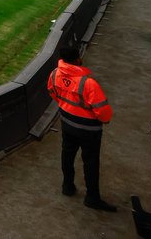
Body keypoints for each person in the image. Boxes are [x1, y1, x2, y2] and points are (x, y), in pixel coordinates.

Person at [47, 46, 116, 211]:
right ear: (77, 59)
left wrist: (66, 106)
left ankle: (67, 186)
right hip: (89, 130)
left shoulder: (55, 74)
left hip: (67, 123)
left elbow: (52, 91)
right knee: (90, 162)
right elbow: (104, 113)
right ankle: (92, 197)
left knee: (67, 154)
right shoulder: (88, 83)